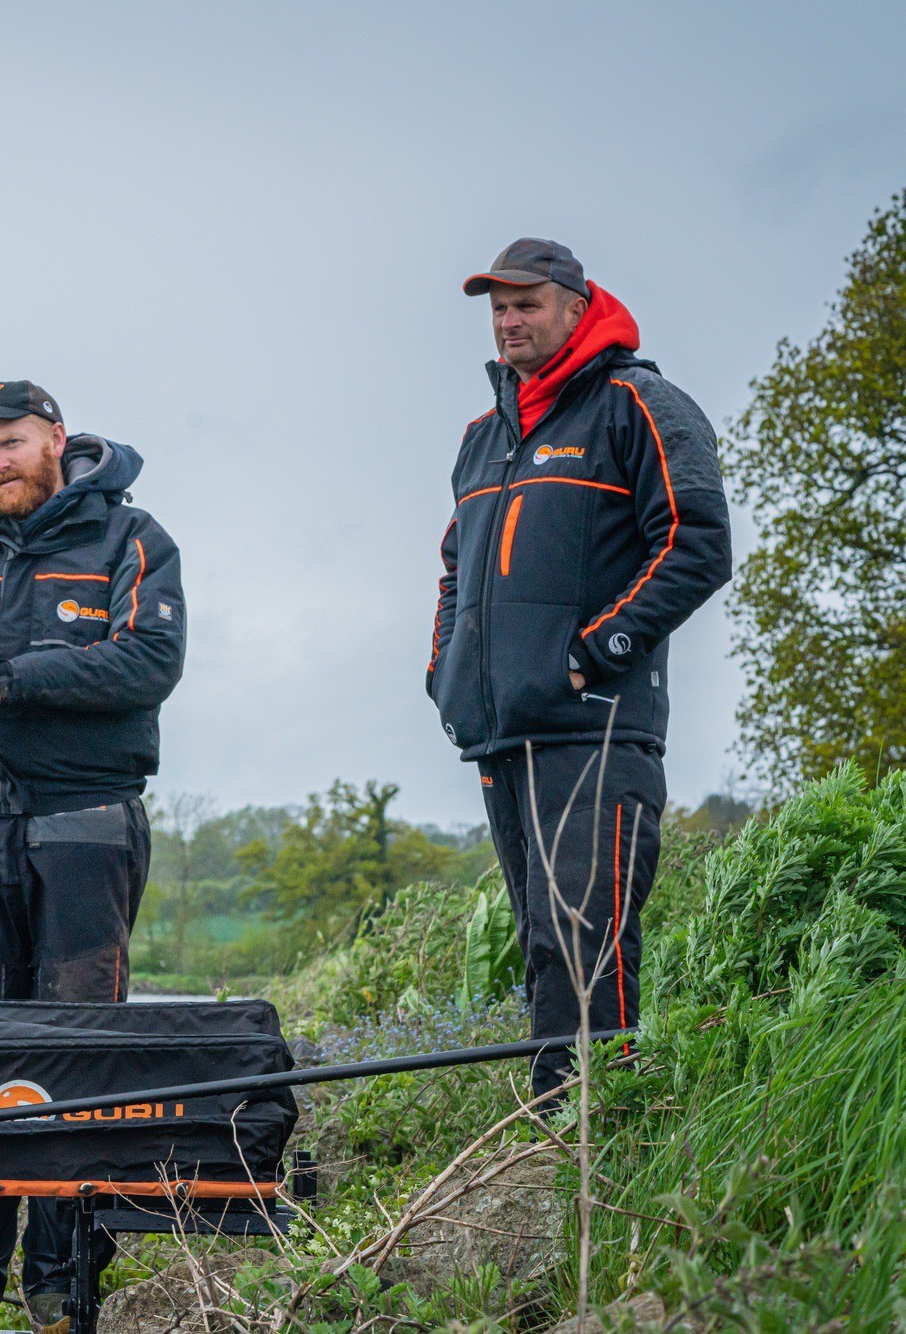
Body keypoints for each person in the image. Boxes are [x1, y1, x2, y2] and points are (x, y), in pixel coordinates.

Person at [0, 380, 185, 1334]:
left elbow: (150, 663)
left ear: (56, 438)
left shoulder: (132, 539)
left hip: (88, 820)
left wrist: (10, 679)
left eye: (10, 443)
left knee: (76, 1047)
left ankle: (62, 1282)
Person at [427, 239, 732, 1102]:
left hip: (596, 729)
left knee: (584, 940)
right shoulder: (483, 437)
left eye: (526, 304)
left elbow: (698, 543)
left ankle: (597, 1129)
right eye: (498, 308)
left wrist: (594, 653)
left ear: (575, 305)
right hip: (501, 733)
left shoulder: (639, 404)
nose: (508, 320)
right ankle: (554, 1124)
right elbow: (454, 569)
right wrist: (446, 669)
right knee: (541, 942)